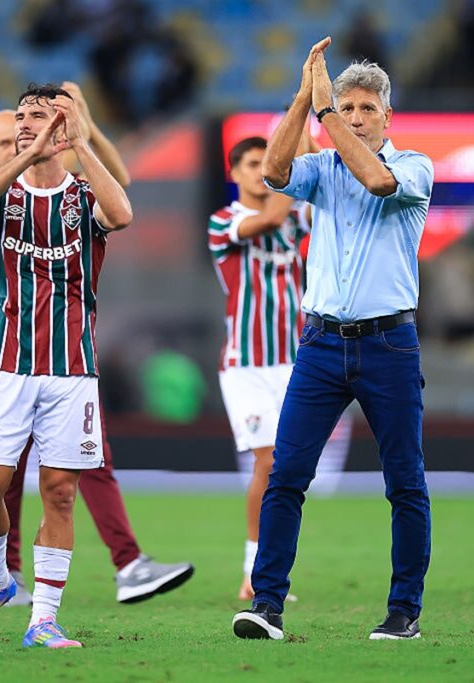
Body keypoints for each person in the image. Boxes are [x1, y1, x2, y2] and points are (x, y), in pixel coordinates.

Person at [231, 39, 434, 641]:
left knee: (404, 481)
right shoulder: (320, 170)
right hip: (320, 345)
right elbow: (273, 173)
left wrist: (324, 115)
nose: (356, 117)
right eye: (346, 107)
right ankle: (267, 605)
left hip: (388, 344)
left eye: (367, 108)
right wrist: (303, 98)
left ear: (387, 116)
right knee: (286, 474)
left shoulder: (413, 166)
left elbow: (375, 180)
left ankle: (404, 610)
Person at [0, 84, 192, 607]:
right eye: (12, 130)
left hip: (68, 357)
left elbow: (120, 196)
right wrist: (41, 149)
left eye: (34, 121)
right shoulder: (1, 193)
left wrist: (84, 131)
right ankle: (5, 574)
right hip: (6, 347)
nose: (23, 134)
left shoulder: (77, 194)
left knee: (71, 477)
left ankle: (71, 591)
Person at [0, 83, 132, 648]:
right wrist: (28, 155)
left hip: (71, 369)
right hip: (5, 365)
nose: (30, 122)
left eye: (43, 115)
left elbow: (121, 213)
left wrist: (80, 142)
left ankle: (44, 619)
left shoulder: (82, 197)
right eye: (24, 115)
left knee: (59, 493)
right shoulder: (3, 195)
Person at [210, 136, 311, 600]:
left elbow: (313, 193)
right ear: (234, 173)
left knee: (288, 469)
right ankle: (253, 570)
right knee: (268, 462)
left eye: (264, 163)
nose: (259, 172)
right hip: (246, 364)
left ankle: (271, 569)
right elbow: (269, 216)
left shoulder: (294, 219)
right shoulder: (225, 221)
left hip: (295, 361)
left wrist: (307, 120)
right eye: (252, 164)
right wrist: (287, 173)